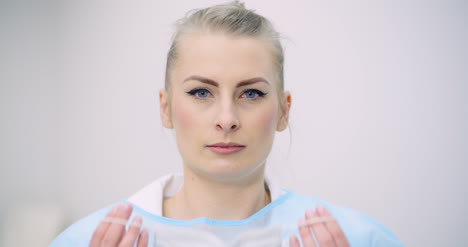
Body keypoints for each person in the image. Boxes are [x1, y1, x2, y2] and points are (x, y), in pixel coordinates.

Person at [50, 2, 404, 246]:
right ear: (166, 108)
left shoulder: (357, 239)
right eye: (201, 92)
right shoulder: (88, 241)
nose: (226, 120)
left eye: (250, 94)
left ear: (283, 111)